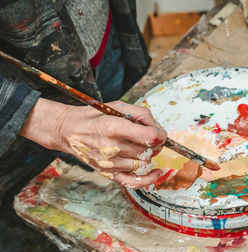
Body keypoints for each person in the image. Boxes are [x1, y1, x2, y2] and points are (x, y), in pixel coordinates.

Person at [0, 0, 167, 200]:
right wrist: (58, 124)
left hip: (106, 41)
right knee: (35, 197)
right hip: (21, 91)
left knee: (120, 152)